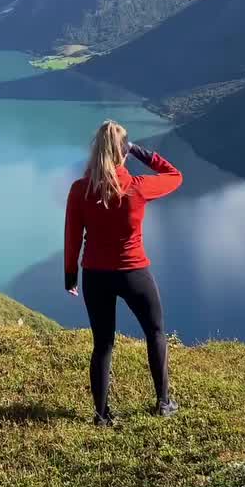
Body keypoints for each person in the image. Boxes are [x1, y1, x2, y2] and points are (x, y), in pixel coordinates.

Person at [64, 119, 183, 426]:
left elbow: (73, 235)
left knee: (103, 343)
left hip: (94, 275)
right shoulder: (138, 188)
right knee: (155, 332)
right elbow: (175, 176)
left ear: (95, 152)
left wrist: (70, 275)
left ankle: (102, 416)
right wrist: (141, 152)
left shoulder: (80, 190)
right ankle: (163, 402)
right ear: (123, 153)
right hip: (133, 272)